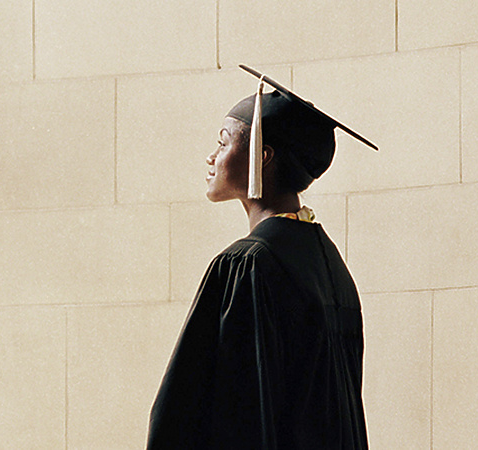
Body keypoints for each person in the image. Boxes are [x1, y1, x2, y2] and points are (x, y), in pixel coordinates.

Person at [146, 66, 372, 449]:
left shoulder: (248, 265)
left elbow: (199, 413)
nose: (211, 157)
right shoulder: (330, 266)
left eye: (223, 143)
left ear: (261, 156)